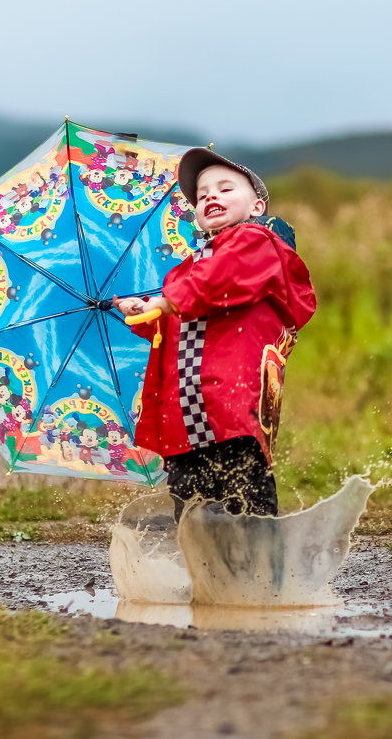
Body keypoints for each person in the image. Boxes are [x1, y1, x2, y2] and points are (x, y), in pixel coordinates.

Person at [116, 149, 317, 519]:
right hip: (185, 414)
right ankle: (207, 573)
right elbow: (183, 321)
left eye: (225, 189)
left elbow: (219, 283)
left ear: (257, 206)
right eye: (203, 194)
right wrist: (147, 312)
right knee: (192, 510)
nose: (211, 196)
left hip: (230, 407)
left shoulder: (258, 243)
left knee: (245, 500)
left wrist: (167, 300)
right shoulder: (190, 266)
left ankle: (258, 570)